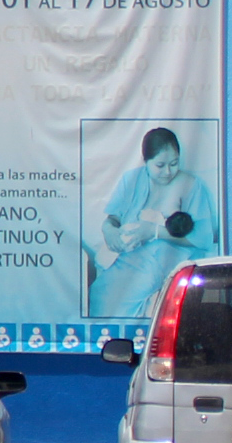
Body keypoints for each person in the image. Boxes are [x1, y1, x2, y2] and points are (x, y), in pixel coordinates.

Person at [90, 127, 214, 321]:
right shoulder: (130, 179)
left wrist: (155, 231)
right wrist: (109, 231)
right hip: (129, 254)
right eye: (160, 165)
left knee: (130, 291)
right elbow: (113, 218)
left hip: (166, 256)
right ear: (145, 161)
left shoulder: (191, 185)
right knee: (100, 293)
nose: (167, 172)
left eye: (174, 164)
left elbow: (203, 237)